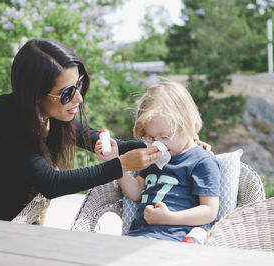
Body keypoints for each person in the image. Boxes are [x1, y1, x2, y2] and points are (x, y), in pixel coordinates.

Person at [0, 38, 162, 221]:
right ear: (35, 95)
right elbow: (51, 183)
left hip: (4, 225)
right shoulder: (2, 114)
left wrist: (173, 146)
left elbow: (110, 145)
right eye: (66, 93)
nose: (79, 98)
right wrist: (121, 166)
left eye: (78, 85)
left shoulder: (55, 116)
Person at [95, 80, 221, 242]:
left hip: (174, 237)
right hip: (139, 235)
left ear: (187, 125)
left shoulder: (201, 161)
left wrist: (169, 218)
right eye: (152, 137)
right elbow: (137, 193)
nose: (158, 143)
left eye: (164, 136)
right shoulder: (152, 156)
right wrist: (114, 162)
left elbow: (209, 211)